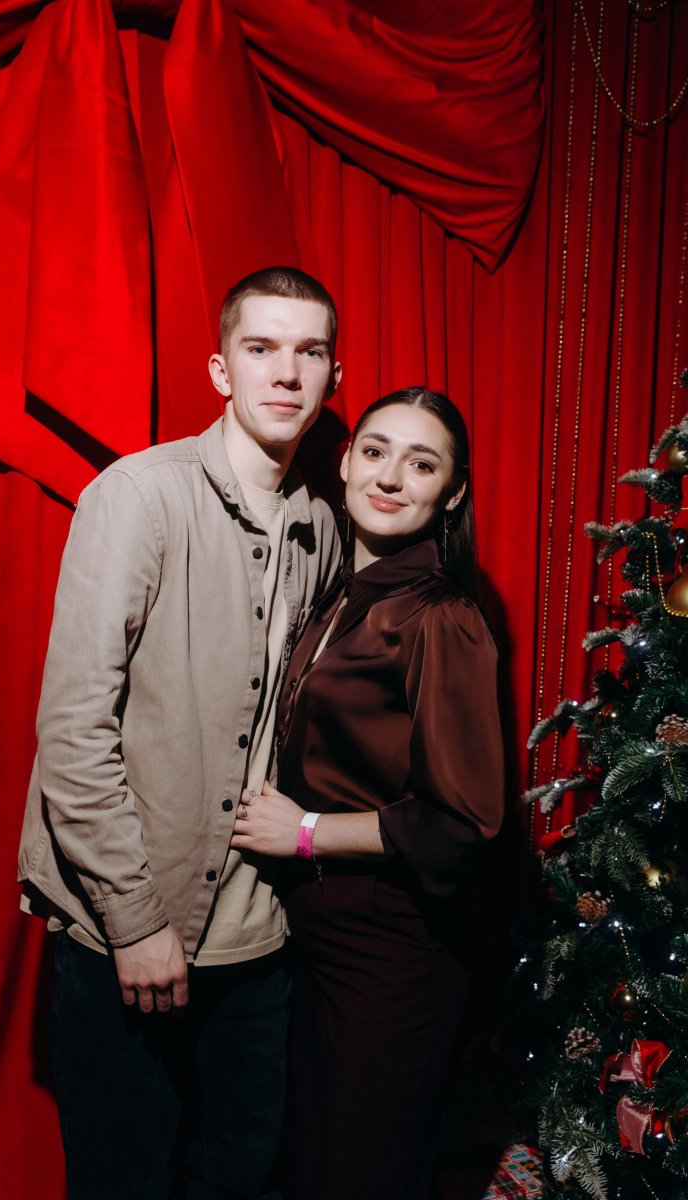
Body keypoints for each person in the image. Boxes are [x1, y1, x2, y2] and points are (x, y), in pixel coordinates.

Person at [17, 266, 343, 1200]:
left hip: (255, 938)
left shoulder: (324, 524)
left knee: (239, 1179)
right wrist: (136, 921)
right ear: (220, 370)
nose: (286, 372)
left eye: (310, 352)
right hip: (124, 931)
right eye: (261, 348)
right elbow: (74, 730)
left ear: (332, 375)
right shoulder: (138, 497)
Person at [231, 387, 505, 1200]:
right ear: (346, 461)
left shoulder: (441, 618)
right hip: (310, 942)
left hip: (391, 954)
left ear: (451, 492)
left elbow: (464, 823)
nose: (390, 477)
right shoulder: (341, 593)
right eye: (377, 451)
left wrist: (305, 832)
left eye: (421, 464)